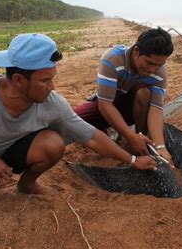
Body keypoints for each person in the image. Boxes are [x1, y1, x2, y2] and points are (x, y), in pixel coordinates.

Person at [0, 33, 157, 225]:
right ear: (19, 80)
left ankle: (26, 183)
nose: (53, 87)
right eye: (46, 80)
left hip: (12, 154)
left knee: (54, 142)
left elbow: (89, 135)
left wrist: (132, 159)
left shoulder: (51, 102)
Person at [74, 27, 174, 166]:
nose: (153, 70)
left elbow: (156, 110)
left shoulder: (159, 72)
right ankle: (122, 132)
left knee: (143, 92)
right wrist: (129, 136)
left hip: (133, 109)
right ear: (136, 51)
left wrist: (160, 147)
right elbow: (105, 104)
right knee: (74, 120)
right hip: (108, 103)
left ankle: (141, 138)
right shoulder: (113, 59)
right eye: (149, 63)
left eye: (159, 65)